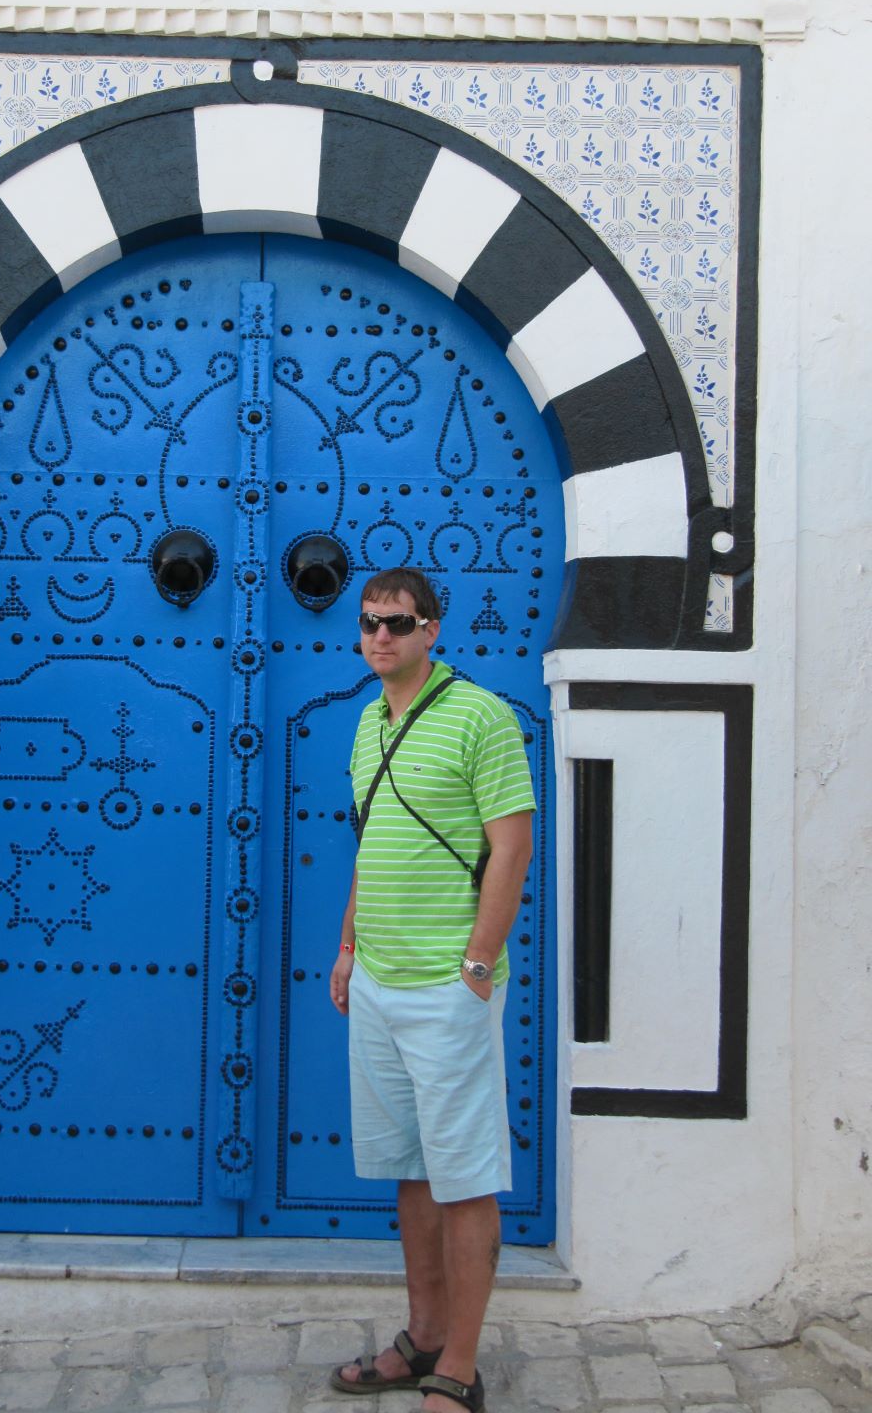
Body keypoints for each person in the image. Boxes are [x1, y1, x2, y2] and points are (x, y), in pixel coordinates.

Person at [328, 567, 534, 1413]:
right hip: (378, 980)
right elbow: (371, 841)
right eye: (370, 622)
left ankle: (461, 1365)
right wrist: (348, 947)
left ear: (432, 629)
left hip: (449, 988)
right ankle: (422, 1338)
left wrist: (478, 965)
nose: (381, 636)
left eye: (399, 623)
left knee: (464, 1176)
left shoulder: (481, 716)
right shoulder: (367, 722)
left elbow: (511, 846)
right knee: (411, 1171)